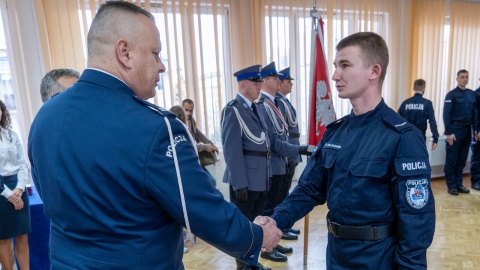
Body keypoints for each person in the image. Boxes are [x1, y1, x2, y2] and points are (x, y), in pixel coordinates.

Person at [28, 1, 281, 269]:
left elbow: (49, 195)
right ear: (124, 52)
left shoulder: (44, 118)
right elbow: (201, 210)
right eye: (156, 53)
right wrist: (256, 236)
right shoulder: (156, 128)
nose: (162, 66)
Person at [269, 32, 436, 269]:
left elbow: (417, 219)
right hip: (336, 255)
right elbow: (309, 188)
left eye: (345, 65)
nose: (335, 75)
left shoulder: (402, 137)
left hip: (377, 258)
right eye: (336, 66)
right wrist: (276, 221)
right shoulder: (336, 132)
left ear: (374, 71)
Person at [257, 62, 311, 262]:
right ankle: (269, 245)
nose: (279, 81)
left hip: (284, 158)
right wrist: (297, 150)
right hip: (275, 162)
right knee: (270, 206)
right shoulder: (264, 104)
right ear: (266, 81)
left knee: (279, 201)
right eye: (275, 78)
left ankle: (275, 240)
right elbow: (274, 140)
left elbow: (285, 130)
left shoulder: (275, 103)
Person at [221, 64, 272, 270]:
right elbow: (231, 149)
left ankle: (252, 262)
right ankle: (242, 266)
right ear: (242, 85)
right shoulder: (233, 109)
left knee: (255, 224)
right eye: (255, 82)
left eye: (260, 82)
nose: (259, 86)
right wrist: (239, 182)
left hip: (260, 178)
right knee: (242, 227)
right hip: (245, 181)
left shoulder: (256, 107)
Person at [0, 99, 30, 270]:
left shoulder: (11, 134)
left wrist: (19, 188)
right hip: (1, 190)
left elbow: (22, 164)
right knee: (3, 238)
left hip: (18, 187)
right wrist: (8, 194)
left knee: (22, 236)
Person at [275, 67, 301, 236]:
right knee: (280, 192)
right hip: (286, 151)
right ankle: (280, 226)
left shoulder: (284, 101)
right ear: (280, 83)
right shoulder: (276, 103)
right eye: (288, 81)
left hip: (292, 148)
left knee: (286, 190)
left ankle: (284, 224)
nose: (291, 84)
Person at [443, 69, 476, 195]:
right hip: (455, 131)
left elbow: (474, 114)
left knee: (462, 160)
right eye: (462, 77)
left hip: (467, 131)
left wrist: (474, 130)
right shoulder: (451, 95)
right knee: (452, 159)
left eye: (466, 77)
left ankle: (459, 184)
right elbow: (446, 115)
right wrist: (449, 133)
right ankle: (451, 186)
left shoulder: (471, 94)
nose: (465, 79)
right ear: (457, 79)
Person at [182, 99, 219, 187]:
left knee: (212, 182)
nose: (189, 113)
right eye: (186, 110)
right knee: (210, 182)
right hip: (186, 162)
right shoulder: (179, 123)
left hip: (195, 160)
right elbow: (188, 144)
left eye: (191, 110)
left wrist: (211, 144)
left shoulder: (191, 121)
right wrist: (205, 147)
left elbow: (198, 133)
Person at [398, 79, 439, 150]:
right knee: (419, 159)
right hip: (420, 137)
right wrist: (435, 138)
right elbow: (432, 122)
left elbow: (398, 120)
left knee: (407, 159)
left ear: (413, 88)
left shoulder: (405, 103)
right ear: (423, 89)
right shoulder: (427, 104)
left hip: (406, 137)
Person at [471, 78, 480, 191]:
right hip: (478, 131)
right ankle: (476, 181)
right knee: (477, 157)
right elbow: (475, 114)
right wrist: (477, 130)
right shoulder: (476, 94)